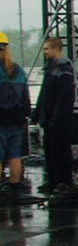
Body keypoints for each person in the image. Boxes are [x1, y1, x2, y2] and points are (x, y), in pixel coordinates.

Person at [34, 37, 75, 196]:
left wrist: (55, 118)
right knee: (50, 152)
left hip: (59, 120)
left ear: (56, 49)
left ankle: (63, 182)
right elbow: (44, 93)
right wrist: (37, 114)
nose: (45, 52)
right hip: (49, 118)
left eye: (46, 49)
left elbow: (63, 97)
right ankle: (53, 181)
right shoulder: (50, 68)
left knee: (60, 152)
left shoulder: (64, 67)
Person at [0, 32, 30, 194]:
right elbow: (25, 94)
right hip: (17, 118)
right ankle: (14, 186)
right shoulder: (17, 70)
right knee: (15, 154)